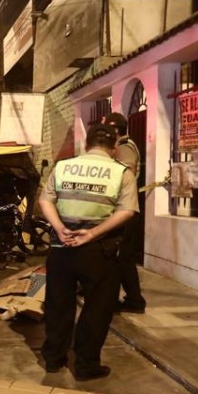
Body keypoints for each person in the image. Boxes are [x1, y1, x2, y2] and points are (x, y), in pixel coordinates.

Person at [38, 123, 138, 380]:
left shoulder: (63, 166)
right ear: (114, 147)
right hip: (98, 251)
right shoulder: (121, 172)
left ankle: (53, 359)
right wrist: (93, 233)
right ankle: (86, 365)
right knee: (97, 307)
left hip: (61, 247)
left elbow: (45, 200)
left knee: (58, 304)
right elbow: (127, 211)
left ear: (86, 144)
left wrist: (60, 228)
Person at [104, 111, 148, 313]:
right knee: (123, 259)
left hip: (125, 210)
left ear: (114, 130)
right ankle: (132, 300)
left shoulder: (124, 147)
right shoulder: (122, 146)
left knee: (119, 258)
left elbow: (127, 171)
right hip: (125, 209)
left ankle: (128, 300)